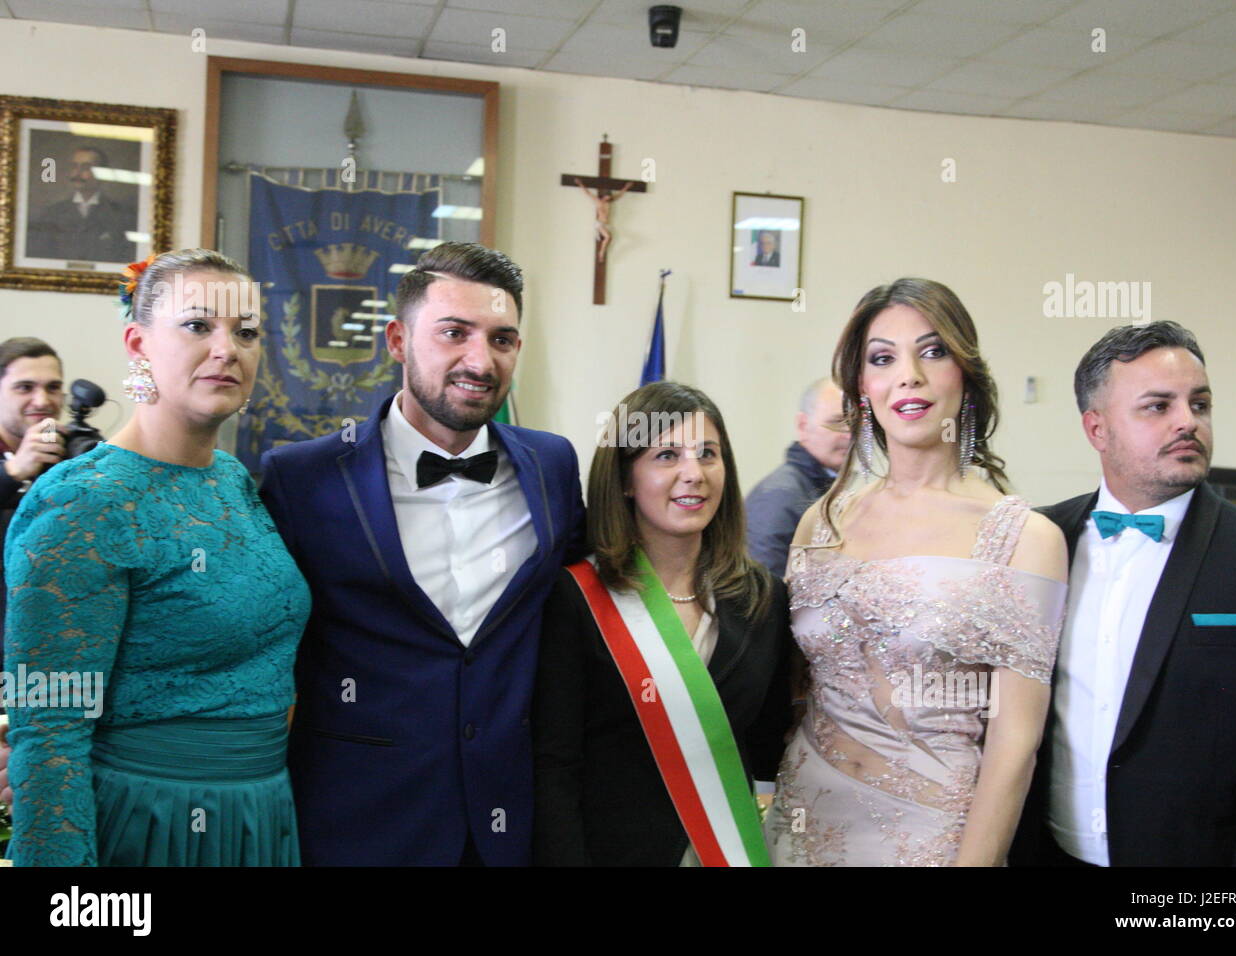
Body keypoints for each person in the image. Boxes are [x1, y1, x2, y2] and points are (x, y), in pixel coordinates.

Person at [259, 241, 585, 866]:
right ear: (397, 340)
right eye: (454, 333)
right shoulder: (302, 478)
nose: (480, 360)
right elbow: (260, 637)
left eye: (502, 339)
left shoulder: (552, 465)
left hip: (505, 825)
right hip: (355, 822)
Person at [3, 249, 310, 866]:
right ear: (138, 344)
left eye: (246, 332)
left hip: (261, 814)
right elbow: (49, 727)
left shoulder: (232, 480)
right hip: (149, 824)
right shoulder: (82, 500)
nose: (228, 349)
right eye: (199, 326)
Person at [763, 278, 1068, 866]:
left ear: (966, 373)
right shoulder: (819, 523)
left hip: (931, 838)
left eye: (932, 352)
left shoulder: (1025, 539)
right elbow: (795, 690)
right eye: (883, 358)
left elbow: (1015, 744)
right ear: (863, 388)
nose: (909, 375)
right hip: (800, 821)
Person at [1010, 322, 1236, 867]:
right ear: (1097, 428)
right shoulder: (1038, 541)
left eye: (1201, 403)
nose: (1188, 421)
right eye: (1158, 406)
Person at [534, 382, 793, 866]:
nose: (693, 474)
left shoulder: (764, 598)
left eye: (708, 454)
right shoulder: (575, 597)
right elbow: (555, 768)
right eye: (668, 455)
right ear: (626, 477)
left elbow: (767, 749)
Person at [0, 338, 66, 654]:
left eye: (52, 388)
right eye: (24, 387)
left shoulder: (71, 455)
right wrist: (14, 472)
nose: (41, 400)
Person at [745, 377, 849, 579]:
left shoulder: (834, 487)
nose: (850, 434)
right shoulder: (778, 497)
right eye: (837, 422)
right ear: (803, 426)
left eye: (856, 423)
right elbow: (766, 590)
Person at [26, 145, 136, 264]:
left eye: (86, 167)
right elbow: (40, 256)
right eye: (74, 167)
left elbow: (127, 260)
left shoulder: (121, 215)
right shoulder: (52, 213)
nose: (77, 173)